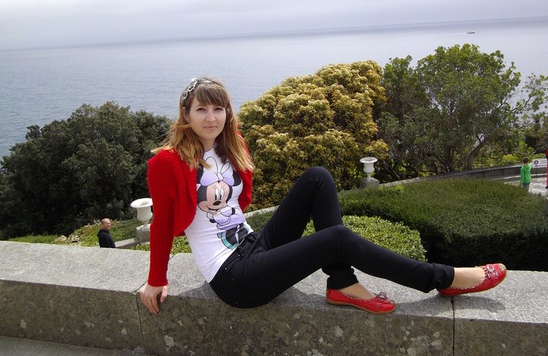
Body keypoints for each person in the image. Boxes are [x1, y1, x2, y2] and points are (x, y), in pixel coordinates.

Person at [139, 77, 507, 315]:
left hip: (253, 245)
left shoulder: (230, 146)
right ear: (186, 114)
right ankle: (442, 278)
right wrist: (156, 279)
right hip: (234, 277)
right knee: (337, 238)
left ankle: (342, 280)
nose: (211, 117)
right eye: (201, 109)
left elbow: (238, 204)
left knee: (317, 177)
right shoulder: (168, 163)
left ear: (227, 112)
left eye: (218, 108)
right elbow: (162, 224)